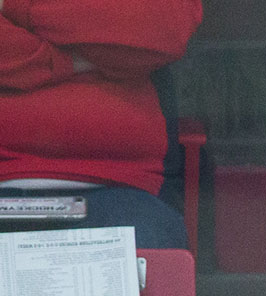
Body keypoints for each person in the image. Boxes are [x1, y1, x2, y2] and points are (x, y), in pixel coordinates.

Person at [0, 0, 201, 249]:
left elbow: (162, 24)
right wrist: (77, 58)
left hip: (118, 188)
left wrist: (12, 6)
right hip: (5, 177)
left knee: (145, 259)